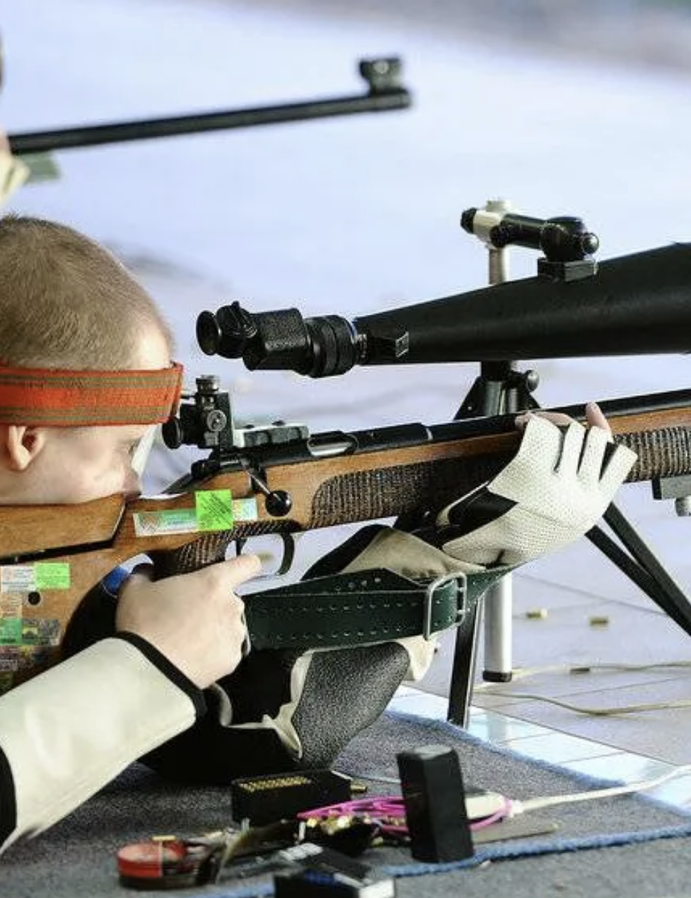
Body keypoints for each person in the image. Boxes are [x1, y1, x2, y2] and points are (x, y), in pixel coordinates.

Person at [0, 212, 635, 850]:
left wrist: (451, 554)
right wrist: (152, 663)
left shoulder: (37, 580)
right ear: (25, 441)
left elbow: (254, 728)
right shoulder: (40, 578)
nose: (136, 486)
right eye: (123, 448)